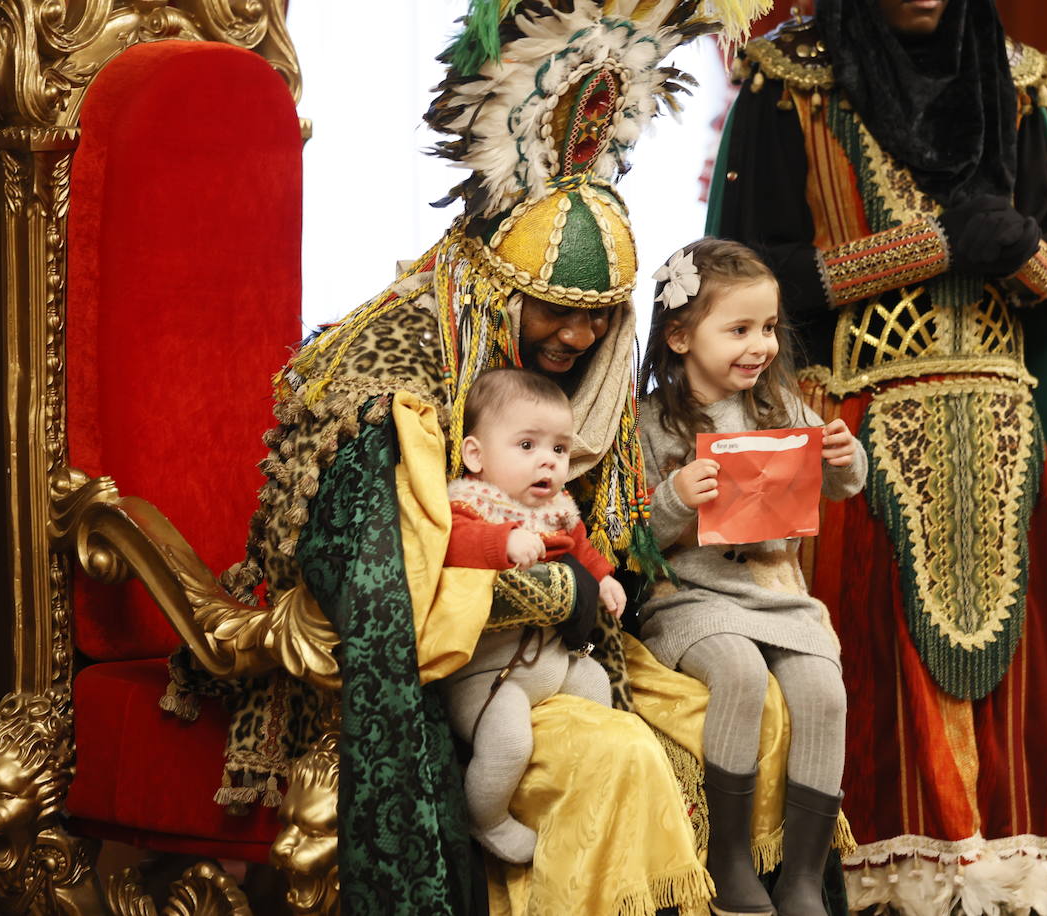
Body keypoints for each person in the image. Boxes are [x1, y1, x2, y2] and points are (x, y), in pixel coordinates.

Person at [165, 3, 782, 914]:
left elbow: (609, 538)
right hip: (445, 669)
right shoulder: (394, 376)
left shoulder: (585, 378)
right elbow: (392, 586)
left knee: (750, 715)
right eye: (554, 311)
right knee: (619, 758)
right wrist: (557, 589)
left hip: (568, 653)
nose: (577, 338)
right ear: (494, 291)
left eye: (598, 318)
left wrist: (603, 583)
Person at [706, 1, 1047, 914]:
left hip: (1005, 449)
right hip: (848, 442)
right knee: (852, 681)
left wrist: (1019, 250)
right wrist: (932, 247)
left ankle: (1010, 879)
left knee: (1018, 703)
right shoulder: (791, 83)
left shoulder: (1012, 82)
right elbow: (747, 286)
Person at [636, 238, 866, 915]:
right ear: (680, 336)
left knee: (824, 692)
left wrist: (844, 457)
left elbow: (841, 488)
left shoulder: (782, 408)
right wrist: (675, 496)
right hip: (691, 598)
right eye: (738, 330)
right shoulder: (650, 423)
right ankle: (730, 858)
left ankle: (802, 875)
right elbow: (632, 539)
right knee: (737, 673)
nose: (760, 345)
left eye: (767, 328)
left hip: (778, 595)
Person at [441, 368, 627, 864]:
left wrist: (604, 579)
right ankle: (486, 818)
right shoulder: (468, 507)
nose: (548, 460)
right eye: (527, 445)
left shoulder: (557, 511)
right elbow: (451, 544)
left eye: (559, 449)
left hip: (552, 661)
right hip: (487, 676)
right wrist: (501, 542)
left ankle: (578, 788)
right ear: (476, 455)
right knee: (508, 740)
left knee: (597, 686)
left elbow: (581, 549)